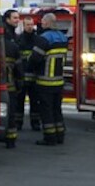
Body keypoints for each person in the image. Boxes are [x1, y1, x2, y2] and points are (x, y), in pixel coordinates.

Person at [29, 12, 69, 146]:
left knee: (46, 111)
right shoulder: (63, 38)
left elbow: (35, 59)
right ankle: (60, 135)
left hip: (45, 82)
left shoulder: (44, 38)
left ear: (45, 23)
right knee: (57, 109)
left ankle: (50, 137)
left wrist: (30, 67)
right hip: (59, 81)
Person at [1, 10, 23, 148]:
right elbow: (19, 69)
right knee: (11, 112)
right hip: (11, 86)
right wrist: (20, 84)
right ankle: (11, 139)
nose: (17, 20)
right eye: (15, 18)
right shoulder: (13, 45)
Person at [17, 17, 41, 131]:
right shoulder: (19, 39)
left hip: (34, 77)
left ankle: (35, 122)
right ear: (23, 25)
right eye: (27, 25)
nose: (30, 27)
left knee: (35, 102)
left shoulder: (37, 39)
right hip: (22, 77)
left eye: (31, 24)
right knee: (19, 102)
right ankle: (18, 122)